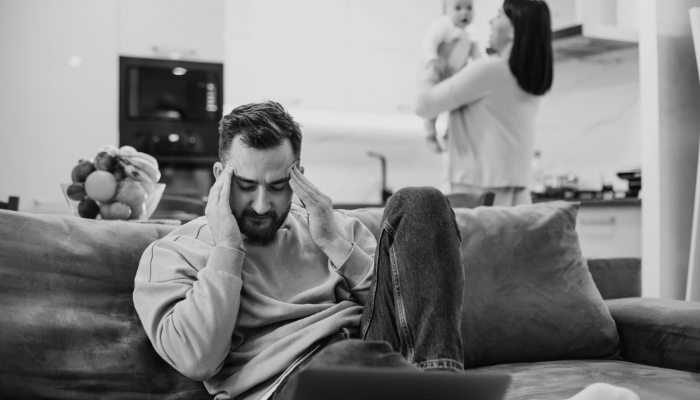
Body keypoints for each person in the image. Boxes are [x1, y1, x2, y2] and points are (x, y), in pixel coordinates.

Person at [133, 101, 639, 400]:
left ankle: (439, 385)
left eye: (278, 185)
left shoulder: (330, 228)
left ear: (298, 176)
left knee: (421, 201)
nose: (262, 204)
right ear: (220, 176)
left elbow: (404, 306)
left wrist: (335, 244)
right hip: (287, 385)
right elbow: (198, 359)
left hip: (376, 356)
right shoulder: (173, 253)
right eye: (246, 186)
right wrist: (227, 247)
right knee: (350, 359)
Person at [415, 0, 554, 206]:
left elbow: (423, 104)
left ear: (513, 31)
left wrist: (434, 60)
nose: (490, 21)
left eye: (499, 15)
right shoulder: (532, 77)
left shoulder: (489, 70)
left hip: (476, 193)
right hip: (518, 191)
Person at [421, 0, 483, 153]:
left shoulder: (471, 33)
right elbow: (430, 41)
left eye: (469, 8)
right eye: (458, 8)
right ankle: (430, 134)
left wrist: (481, 67)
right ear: (446, 10)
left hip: (456, 76)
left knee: (456, 108)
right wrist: (432, 58)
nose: (464, 12)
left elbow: (477, 55)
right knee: (433, 106)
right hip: (439, 72)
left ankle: (450, 134)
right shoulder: (444, 25)